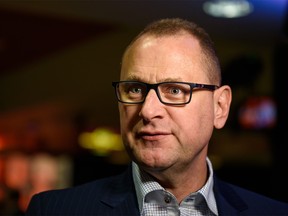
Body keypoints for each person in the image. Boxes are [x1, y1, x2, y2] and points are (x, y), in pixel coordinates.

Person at [25, 18, 288, 216]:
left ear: (220, 106)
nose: (148, 111)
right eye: (135, 89)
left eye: (175, 90)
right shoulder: (54, 210)